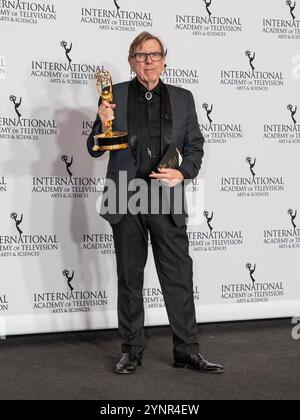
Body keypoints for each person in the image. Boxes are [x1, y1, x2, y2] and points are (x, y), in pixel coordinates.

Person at [87, 32, 224, 375]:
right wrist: (102, 122)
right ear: (131, 60)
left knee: (178, 277)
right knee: (130, 279)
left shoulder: (182, 98)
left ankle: (187, 352)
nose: (148, 61)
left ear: (165, 58)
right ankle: (131, 352)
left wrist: (183, 173)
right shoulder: (113, 94)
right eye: (141, 55)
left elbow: (195, 146)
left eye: (155, 55)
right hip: (125, 194)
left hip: (165, 195)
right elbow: (94, 147)